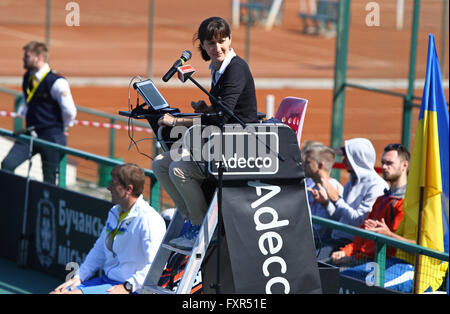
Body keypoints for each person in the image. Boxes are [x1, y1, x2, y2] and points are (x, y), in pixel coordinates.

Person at [152, 16, 258, 250]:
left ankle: (200, 227)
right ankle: (191, 218)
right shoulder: (217, 68)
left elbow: (224, 117)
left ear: (230, 40)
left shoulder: (236, 68)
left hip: (238, 145)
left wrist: (178, 121)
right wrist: (206, 108)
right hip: (216, 140)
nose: (217, 47)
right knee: (160, 163)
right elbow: (220, 111)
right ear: (203, 45)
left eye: (222, 41)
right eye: (211, 43)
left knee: (178, 169)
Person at [50, 163, 166, 294]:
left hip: (131, 288)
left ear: (128, 189)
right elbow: (99, 248)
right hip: (108, 281)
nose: (108, 188)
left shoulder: (149, 220)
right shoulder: (115, 212)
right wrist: (79, 277)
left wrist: (128, 286)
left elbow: (158, 266)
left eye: (113, 184)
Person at [1, 41, 77, 184]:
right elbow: (26, 102)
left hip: (51, 136)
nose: (23, 59)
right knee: (7, 165)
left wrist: (64, 128)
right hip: (31, 133)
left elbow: (69, 111)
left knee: (49, 181)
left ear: (39, 57)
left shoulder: (56, 81)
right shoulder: (27, 77)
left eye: (27, 56)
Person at [330, 143, 410, 265]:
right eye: (383, 162)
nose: (384, 167)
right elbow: (364, 234)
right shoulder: (380, 200)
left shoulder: (405, 203)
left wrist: (353, 258)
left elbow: (390, 247)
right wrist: (346, 251)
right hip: (362, 259)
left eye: (389, 163)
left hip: (381, 265)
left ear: (405, 165)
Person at [310, 138, 389, 260]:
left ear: (358, 158)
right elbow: (340, 217)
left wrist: (336, 200)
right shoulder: (351, 182)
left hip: (350, 245)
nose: (343, 160)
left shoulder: (376, 185)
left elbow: (359, 221)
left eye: (347, 156)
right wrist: (326, 203)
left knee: (314, 262)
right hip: (335, 238)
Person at [304, 143, 344, 242]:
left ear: (320, 165)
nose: (304, 165)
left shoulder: (334, 187)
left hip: (324, 244)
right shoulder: (311, 186)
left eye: (308, 162)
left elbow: (339, 219)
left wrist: (326, 203)